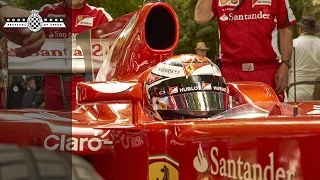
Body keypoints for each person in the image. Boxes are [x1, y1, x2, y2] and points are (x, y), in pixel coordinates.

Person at [194, 0, 296, 102]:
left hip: (267, 72)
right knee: (232, 117)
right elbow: (200, 18)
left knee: (271, 116)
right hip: (231, 72)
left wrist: (285, 64)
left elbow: (286, 29)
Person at [39, 0, 113, 111]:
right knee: (53, 125)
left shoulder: (99, 15)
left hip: (84, 84)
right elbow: (25, 37)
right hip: (52, 83)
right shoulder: (46, 12)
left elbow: (117, 46)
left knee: (80, 125)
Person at [286, 16, 320, 101]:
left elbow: (285, 65)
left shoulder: (293, 44)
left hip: (297, 89)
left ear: (301, 29)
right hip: (318, 89)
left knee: (296, 113)